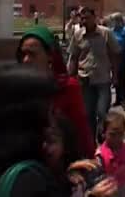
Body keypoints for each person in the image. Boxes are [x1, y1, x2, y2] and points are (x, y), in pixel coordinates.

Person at [0, 65, 117, 197]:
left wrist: (62, 173)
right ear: (26, 117)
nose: (53, 121)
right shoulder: (27, 183)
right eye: (50, 111)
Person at [17, 26, 96, 158]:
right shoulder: (16, 87)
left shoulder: (67, 87)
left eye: (32, 54)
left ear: (50, 56)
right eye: (23, 54)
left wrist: (90, 161)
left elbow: (81, 130)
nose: (26, 60)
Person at [68, 7, 120, 144]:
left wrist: (115, 75)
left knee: (102, 112)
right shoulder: (78, 35)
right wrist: (70, 78)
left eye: (87, 18)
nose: (84, 21)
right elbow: (74, 57)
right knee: (88, 114)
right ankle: (90, 142)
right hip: (84, 79)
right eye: (82, 18)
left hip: (103, 79)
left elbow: (114, 54)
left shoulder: (106, 33)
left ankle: (101, 135)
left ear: (94, 17)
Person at [111, 13, 125, 111]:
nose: (114, 22)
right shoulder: (111, 31)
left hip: (123, 56)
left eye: (115, 20)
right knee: (116, 78)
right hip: (114, 57)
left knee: (122, 78)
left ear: (119, 20)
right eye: (113, 20)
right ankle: (118, 99)